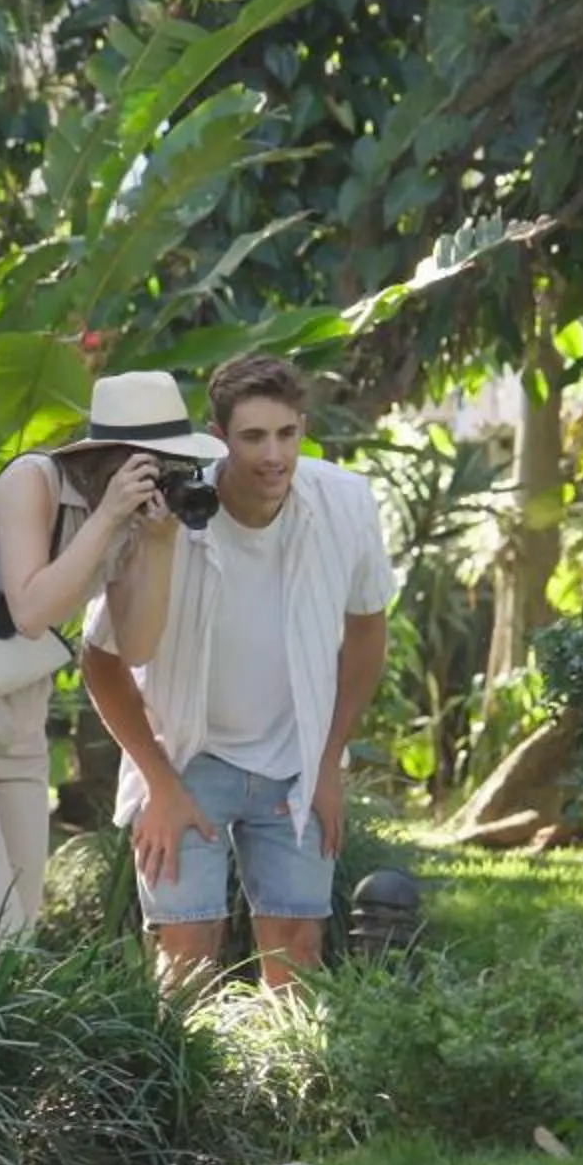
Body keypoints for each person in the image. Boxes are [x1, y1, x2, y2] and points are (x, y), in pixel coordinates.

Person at [80, 353, 395, 989]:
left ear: (303, 428)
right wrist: (159, 783)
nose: (274, 455)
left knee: (298, 952)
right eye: (253, 437)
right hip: (186, 758)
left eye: (287, 434)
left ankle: (284, 1085)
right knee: (186, 951)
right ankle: (183, 1086)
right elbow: (102, 660)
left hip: (296, 758)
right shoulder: (166, 513)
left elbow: (367, 634)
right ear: (220, 439)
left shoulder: (345, 503)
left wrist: (331, 760)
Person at [0, 370, 209, 945]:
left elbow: (136, 647)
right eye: (158, 461)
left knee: (17, 939)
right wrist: (109, 516)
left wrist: (158, 545)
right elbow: (31, 611)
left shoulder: (136, 524)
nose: (165, 476)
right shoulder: (30, 482)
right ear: (118, 455)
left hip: (20, 733)